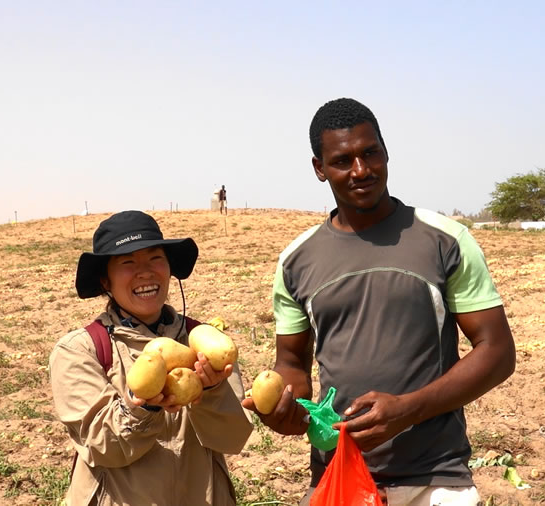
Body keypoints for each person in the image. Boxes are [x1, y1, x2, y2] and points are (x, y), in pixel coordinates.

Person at [240, 98, 516, 505]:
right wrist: (286, 408)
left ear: (386, 152)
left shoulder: (445, 240)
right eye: (342, 160)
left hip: (434, 480)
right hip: (338, 476)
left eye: (371, 154)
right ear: (319, 168)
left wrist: (409, 409)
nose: (361, 171)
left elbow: (497, 352)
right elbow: (292, 362)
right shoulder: (296, 260)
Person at [50, 210, 252, 505]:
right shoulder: (80, 350)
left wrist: (211, 392)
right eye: (128, 262)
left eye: (155, 258)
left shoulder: (205, 343)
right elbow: (102, 446)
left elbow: (233, 438)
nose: (145, 272)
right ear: (106, 281)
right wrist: (142, 408)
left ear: (170, 269)